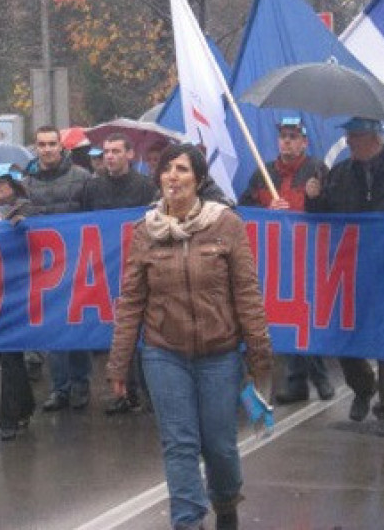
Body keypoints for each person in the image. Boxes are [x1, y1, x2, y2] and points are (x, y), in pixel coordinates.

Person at [106, 143, 273, 530]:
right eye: (166, 169)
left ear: (198, 179)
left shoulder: (226, 225)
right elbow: (131, 300)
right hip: (164, 353)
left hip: (220, 353)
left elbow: (247, 292)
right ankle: (187, 521)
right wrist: (118, 363)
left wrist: (259, 352)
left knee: (219, 446)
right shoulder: (144, 232)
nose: (173, 177)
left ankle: (226, 505)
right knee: (179, 445)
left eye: (181, 169)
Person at [305, 116, 384, 436]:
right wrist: (313, 199)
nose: (350, 142)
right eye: (349, 136)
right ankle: (362, 388)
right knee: (343, 332)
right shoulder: (340, 174)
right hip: (350, 270)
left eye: (355, 135)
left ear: (375, 137)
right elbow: (322, 221)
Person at [239, 116, 334, 404]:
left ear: (304, 141)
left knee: (305, 318)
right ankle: (298, 383)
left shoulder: (317, 170)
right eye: (283, 136)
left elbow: (330, 210)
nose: (287, 141)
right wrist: (268, 208)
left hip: (309, 258)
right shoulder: (263, 173)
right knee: (288, 320)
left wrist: (313, 200)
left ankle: (319, 378)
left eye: (293, 136)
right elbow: (244, 209)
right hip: (276, 260)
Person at [82, 133, 158, 415]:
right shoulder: (93, 187)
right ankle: (124, 392)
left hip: (138, 265)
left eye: (115, 151)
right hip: (105, 267)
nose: (110, 157)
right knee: (117, 331)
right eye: (106, 152)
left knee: (140, 329)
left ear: (129, 155)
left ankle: (148, 393)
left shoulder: (145, 186)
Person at [22, 125, 92, 411]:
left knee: (78, 328)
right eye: (42, 144)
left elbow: (94, 218)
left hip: (76, 264)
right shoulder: (27, 183)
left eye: (52, 144)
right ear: (36, 147)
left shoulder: (82, 178)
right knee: (53, 331)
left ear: (61, 147)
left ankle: (81, 383)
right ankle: (59, 388)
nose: (47, 149)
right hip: (44, 269)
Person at [0, 163, 36, 440]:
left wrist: (23, 227)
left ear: (14, 185)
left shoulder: (28, 210)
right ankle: (24, 406)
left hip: (22, 289)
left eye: (3, 182)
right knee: (9, 354)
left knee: (10, 352)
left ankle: (8, 419)